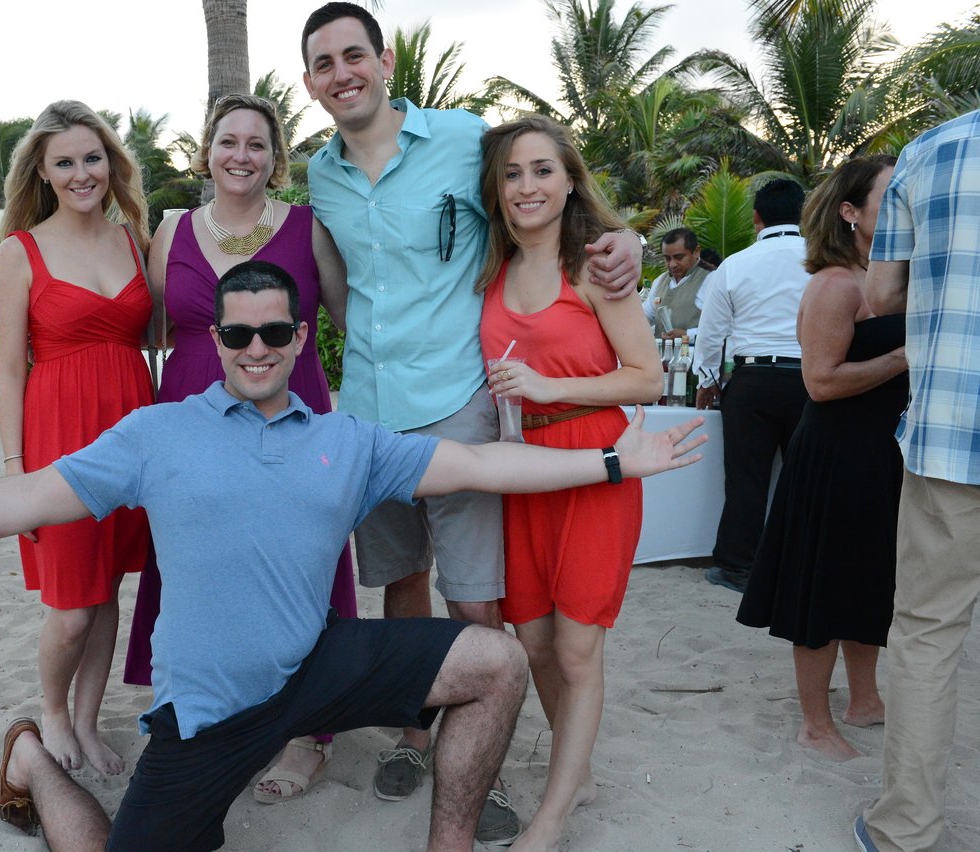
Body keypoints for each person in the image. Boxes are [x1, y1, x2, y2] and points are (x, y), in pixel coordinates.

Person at [0, 261, 706, 852]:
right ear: (216, 341)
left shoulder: (348, 440)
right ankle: (31, 757)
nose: (258, 348)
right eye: (238, 334)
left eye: (276, 332)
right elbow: (25, 498)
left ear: (301, 338)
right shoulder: (156, 434)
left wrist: (619, 458)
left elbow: (481, 462)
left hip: (319, 667)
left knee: (496, 661)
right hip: (211, 708)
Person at [299, 5, 644, 836]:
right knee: (400, 582)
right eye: (323, 63)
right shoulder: (320, 175)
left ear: (384, 61)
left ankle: (478, 759)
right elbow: (338, 283)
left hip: (460, 402)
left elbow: (545, 191)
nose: (342, 72)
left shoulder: (463, 139)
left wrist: (622, 237)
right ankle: (417, 734)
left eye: (355, 55)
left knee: (478, 598)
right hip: (373, 413)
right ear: (310, 83)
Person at [123, 92, 355, 804]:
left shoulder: (310, 229)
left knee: (302, 556)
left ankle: (307, 733)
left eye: (257, 144)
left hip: (294, 407)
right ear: (207, 150)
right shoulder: (171, 232)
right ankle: (209, 710)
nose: (242, 156)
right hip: (197, 409)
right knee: (200, 563)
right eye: (229, 141)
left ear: (275, 158)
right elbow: (158, 331)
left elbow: (345, 318)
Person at [477, 116, 662, 850]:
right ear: (496, 186)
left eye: (543, 170)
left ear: (569, 179)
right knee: (534, 642)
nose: (527, 186)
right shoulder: (489, 269)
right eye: (513, 172)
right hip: (524, 469)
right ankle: (572, 766)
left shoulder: (594, 267)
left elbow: (646, 378)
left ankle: (553, 815)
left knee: (579, 648)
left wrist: (550, 386)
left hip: (595, 463)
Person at [0, 100, 154, 776]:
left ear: (110, 165)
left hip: (134, 432)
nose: (83, 173)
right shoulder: (18, 252)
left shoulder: (133, 238)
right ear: (44, 174)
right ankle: (53, 712)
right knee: (73, 606)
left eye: (93, 158)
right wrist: (14, 473)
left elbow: (168, 331)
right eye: (66, 162)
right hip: (60, 439)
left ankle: (86, 721)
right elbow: (6, 371)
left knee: (109, 586)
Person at [735, 156, 905, 763]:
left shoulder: (888, 278)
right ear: (850, 212)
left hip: (883, 453)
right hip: (837, 455)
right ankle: (814, 721)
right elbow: (821, 383)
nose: (905, 208)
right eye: (891, 198)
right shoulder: (836, 284)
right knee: (821, 590)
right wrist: (905, 355)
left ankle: (865, 700)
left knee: (869, 581)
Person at [855, 109, 980, 852]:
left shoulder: (930, 153)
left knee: (929, 635)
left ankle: (906, 830)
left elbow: (881, 294)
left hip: (952, 436)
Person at [692, 178, 810, 594]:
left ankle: (738, 566)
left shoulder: (735, 263)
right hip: (811, 381)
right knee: (805, 478)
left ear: (756, 217)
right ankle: (799, 564)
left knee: (746, 478)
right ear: (804, 214)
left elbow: (710, 333)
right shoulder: (825, 259)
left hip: (752, 380)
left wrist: (706, 380)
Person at [643, 227, 710, 340]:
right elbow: (644, 317)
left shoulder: (710, 280)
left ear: (696, 252)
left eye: (679, 257)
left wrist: (687, 334)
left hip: (694, 356)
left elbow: (721, 327)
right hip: (661, 355)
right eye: (667, 258)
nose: (672, 264)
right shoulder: (660, 281)